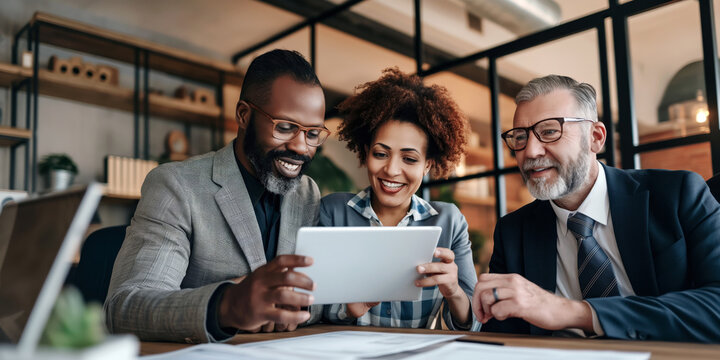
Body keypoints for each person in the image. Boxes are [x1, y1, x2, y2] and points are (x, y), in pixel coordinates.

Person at [472, 74, 720, 342]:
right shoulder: (513, 232)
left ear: (596, 137)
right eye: (520, 137)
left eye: (549, 131)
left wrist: (577, 313)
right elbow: (501, 340)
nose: (530, 151)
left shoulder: (678, 194)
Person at [105, 49, 329, 343]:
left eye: (313, 134)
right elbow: (125, 307)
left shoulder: (307, 193)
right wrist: (228, 305)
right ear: (244, 115)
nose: (301, 147)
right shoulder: (176, 186)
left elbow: (317, 295)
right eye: (285, 127)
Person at [320, 68, 480, 330]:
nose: (392, 170)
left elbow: (473, 323)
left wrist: (454, 292)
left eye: (409, 159)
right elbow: (309, 305)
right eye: (381, 154)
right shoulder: (334, 211)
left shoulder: (449, 222)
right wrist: (347, 309)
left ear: (427, 165)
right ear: (365, 152)